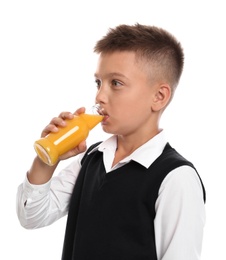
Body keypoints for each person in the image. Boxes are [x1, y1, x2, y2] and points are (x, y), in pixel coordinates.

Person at [16, 23, 206, 260]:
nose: (99, 96)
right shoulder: (93, 158)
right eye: (98, 83)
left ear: (159, 97)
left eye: (116, 83)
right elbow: (32, 216)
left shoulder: (176, 178)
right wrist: (47, 159)